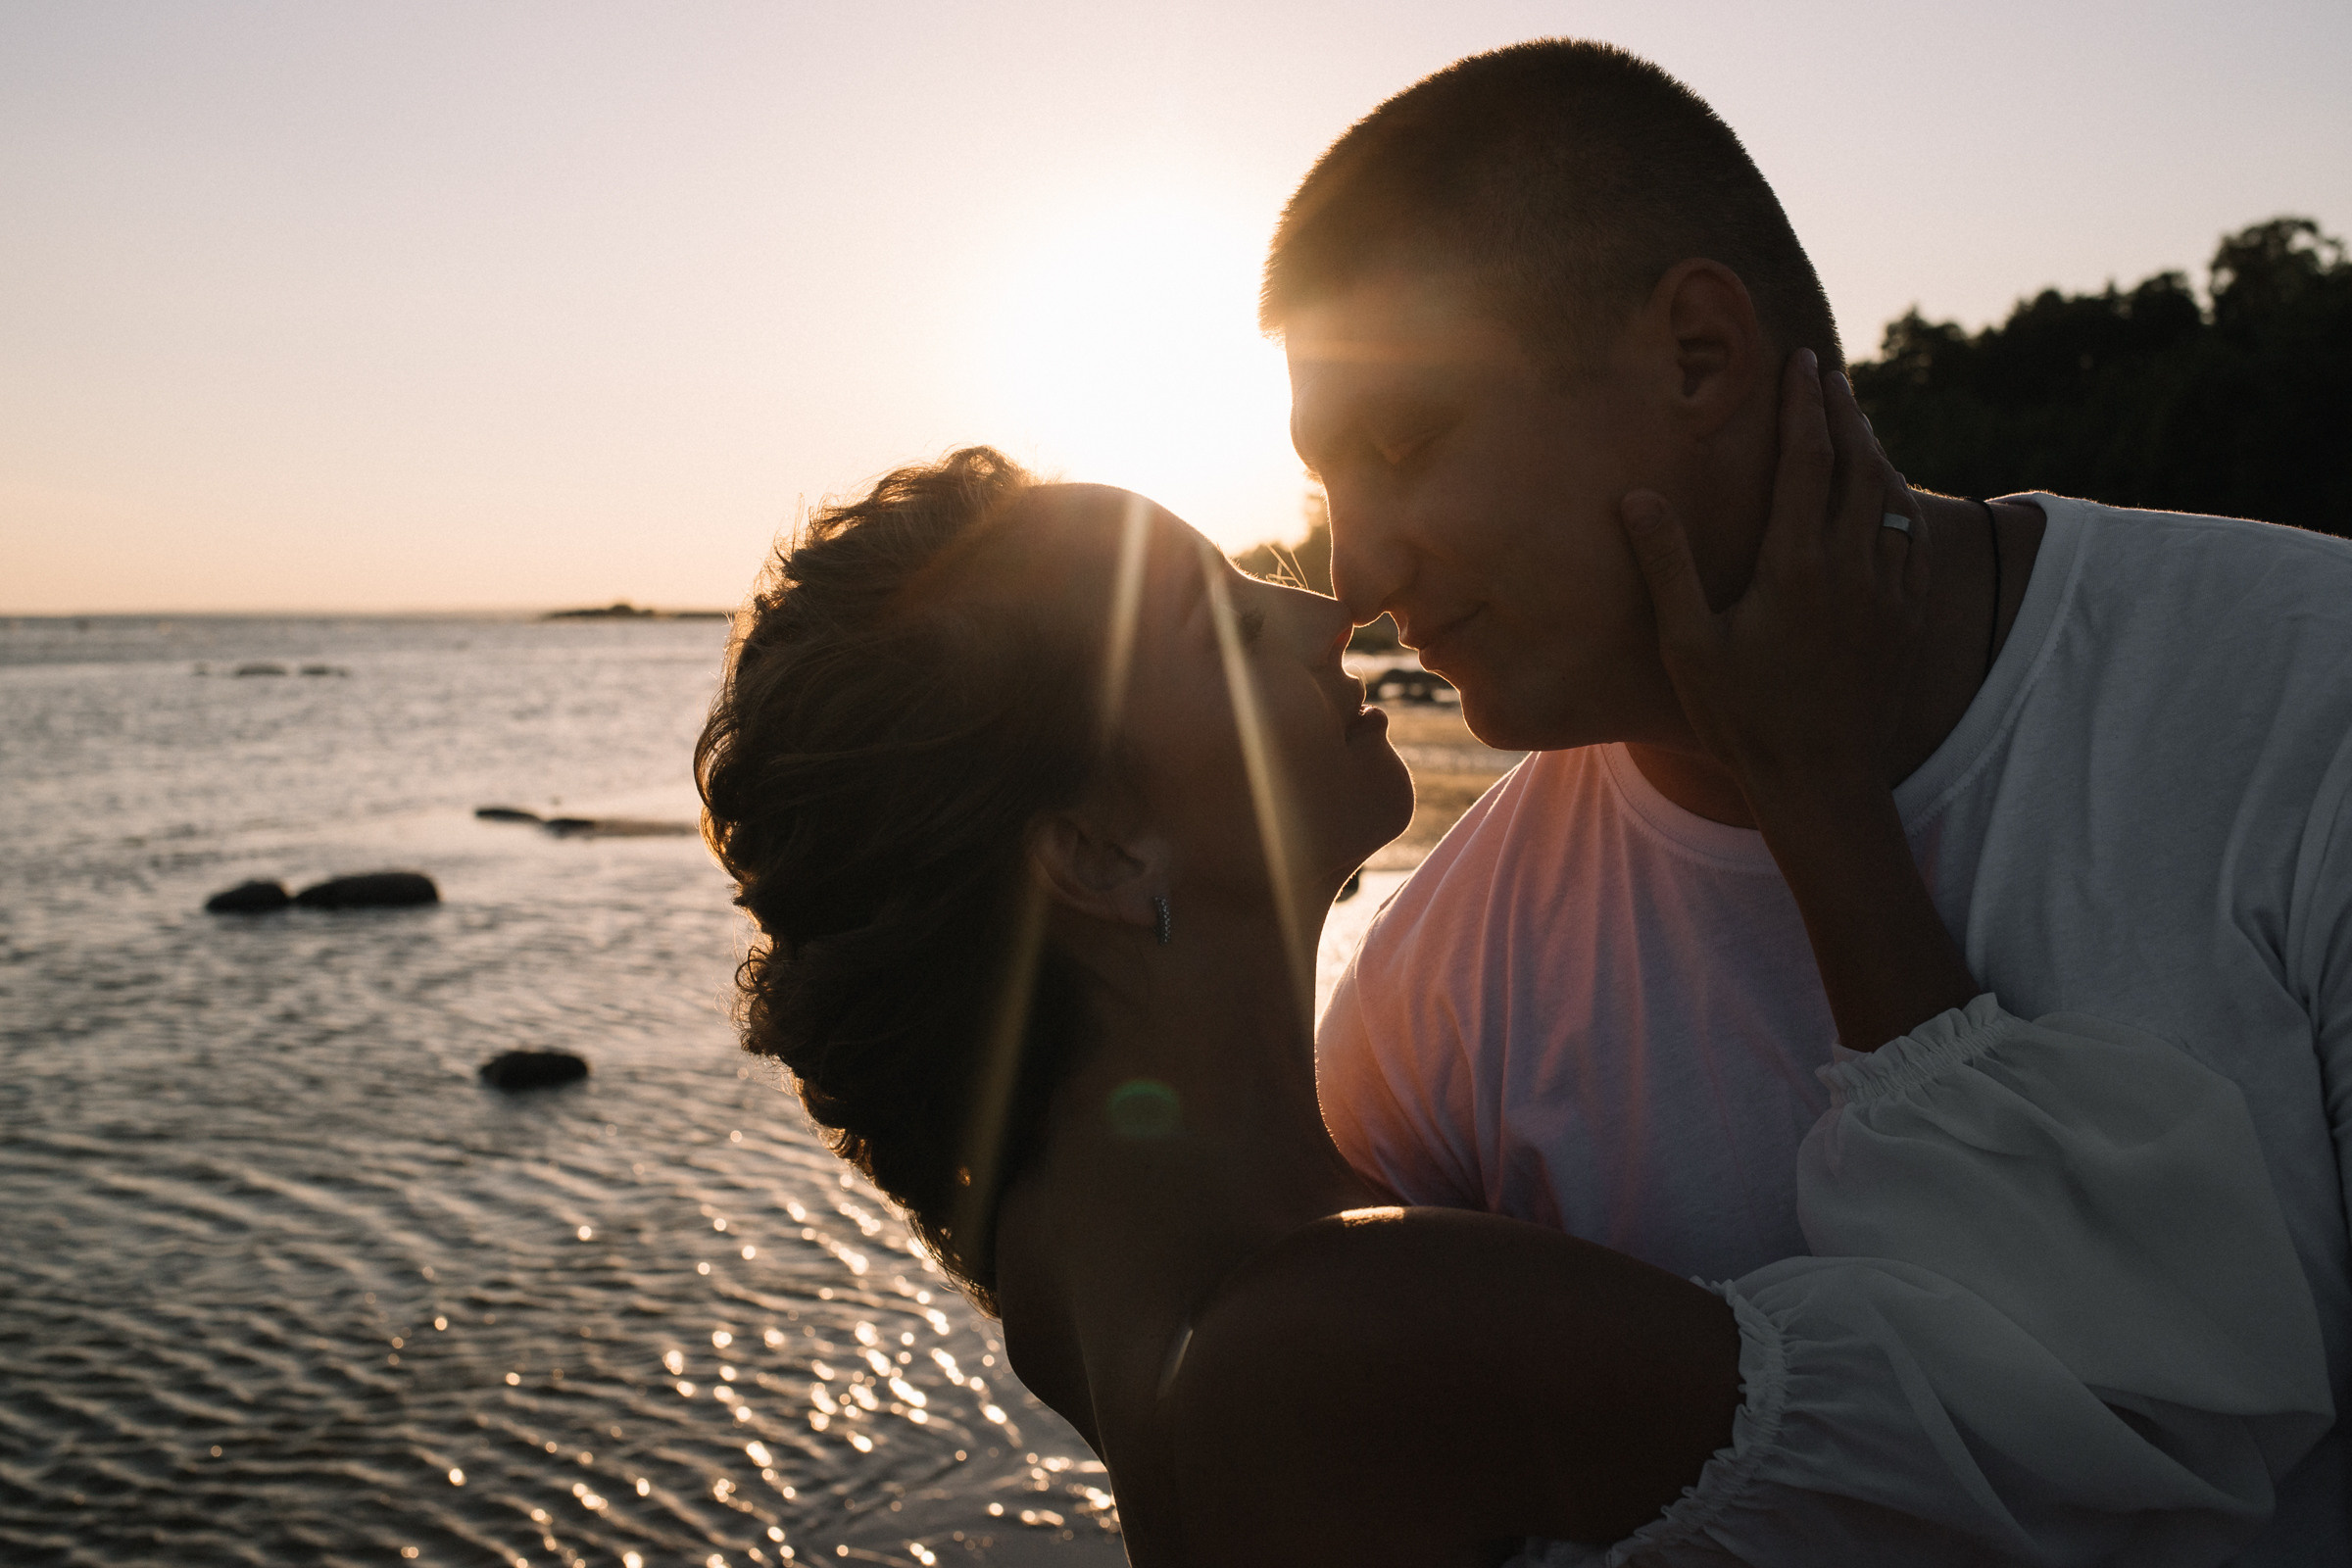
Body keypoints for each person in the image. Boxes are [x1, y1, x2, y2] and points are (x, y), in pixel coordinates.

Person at [693, 390, 2328, 1564]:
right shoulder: (1348, 1329)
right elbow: (2156, 1405)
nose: (1320, 605)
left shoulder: (1097, 1316)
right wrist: (1814, 792)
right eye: (1210, 622)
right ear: (1100, 860)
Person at [1277, 39, 2352, 1564]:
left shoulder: (2308, 701)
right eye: (1330, 491)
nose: (1359, 576)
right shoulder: (1430, 991)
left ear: (1700, 356)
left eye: (1404, 446)